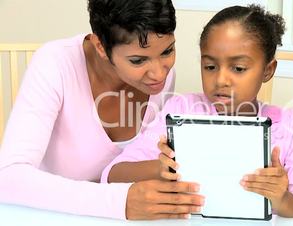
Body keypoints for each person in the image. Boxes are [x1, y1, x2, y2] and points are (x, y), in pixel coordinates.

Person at [103, 5, 293, 222]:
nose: (220, 80)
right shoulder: (181, 110)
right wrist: (159, 168)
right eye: (210, 67)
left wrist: (281, 198)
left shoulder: (290, 126)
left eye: (238, 69)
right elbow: (111, 175)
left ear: (267, 70)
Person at [0, 0, 204, 220]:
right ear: (100, 47)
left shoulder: (157, 80)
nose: (158, 74)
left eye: (167, 51)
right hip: (51, 217)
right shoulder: (55, 63)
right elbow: (8, 176)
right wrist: (119, 202)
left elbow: (143, 158)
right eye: (137, 60)